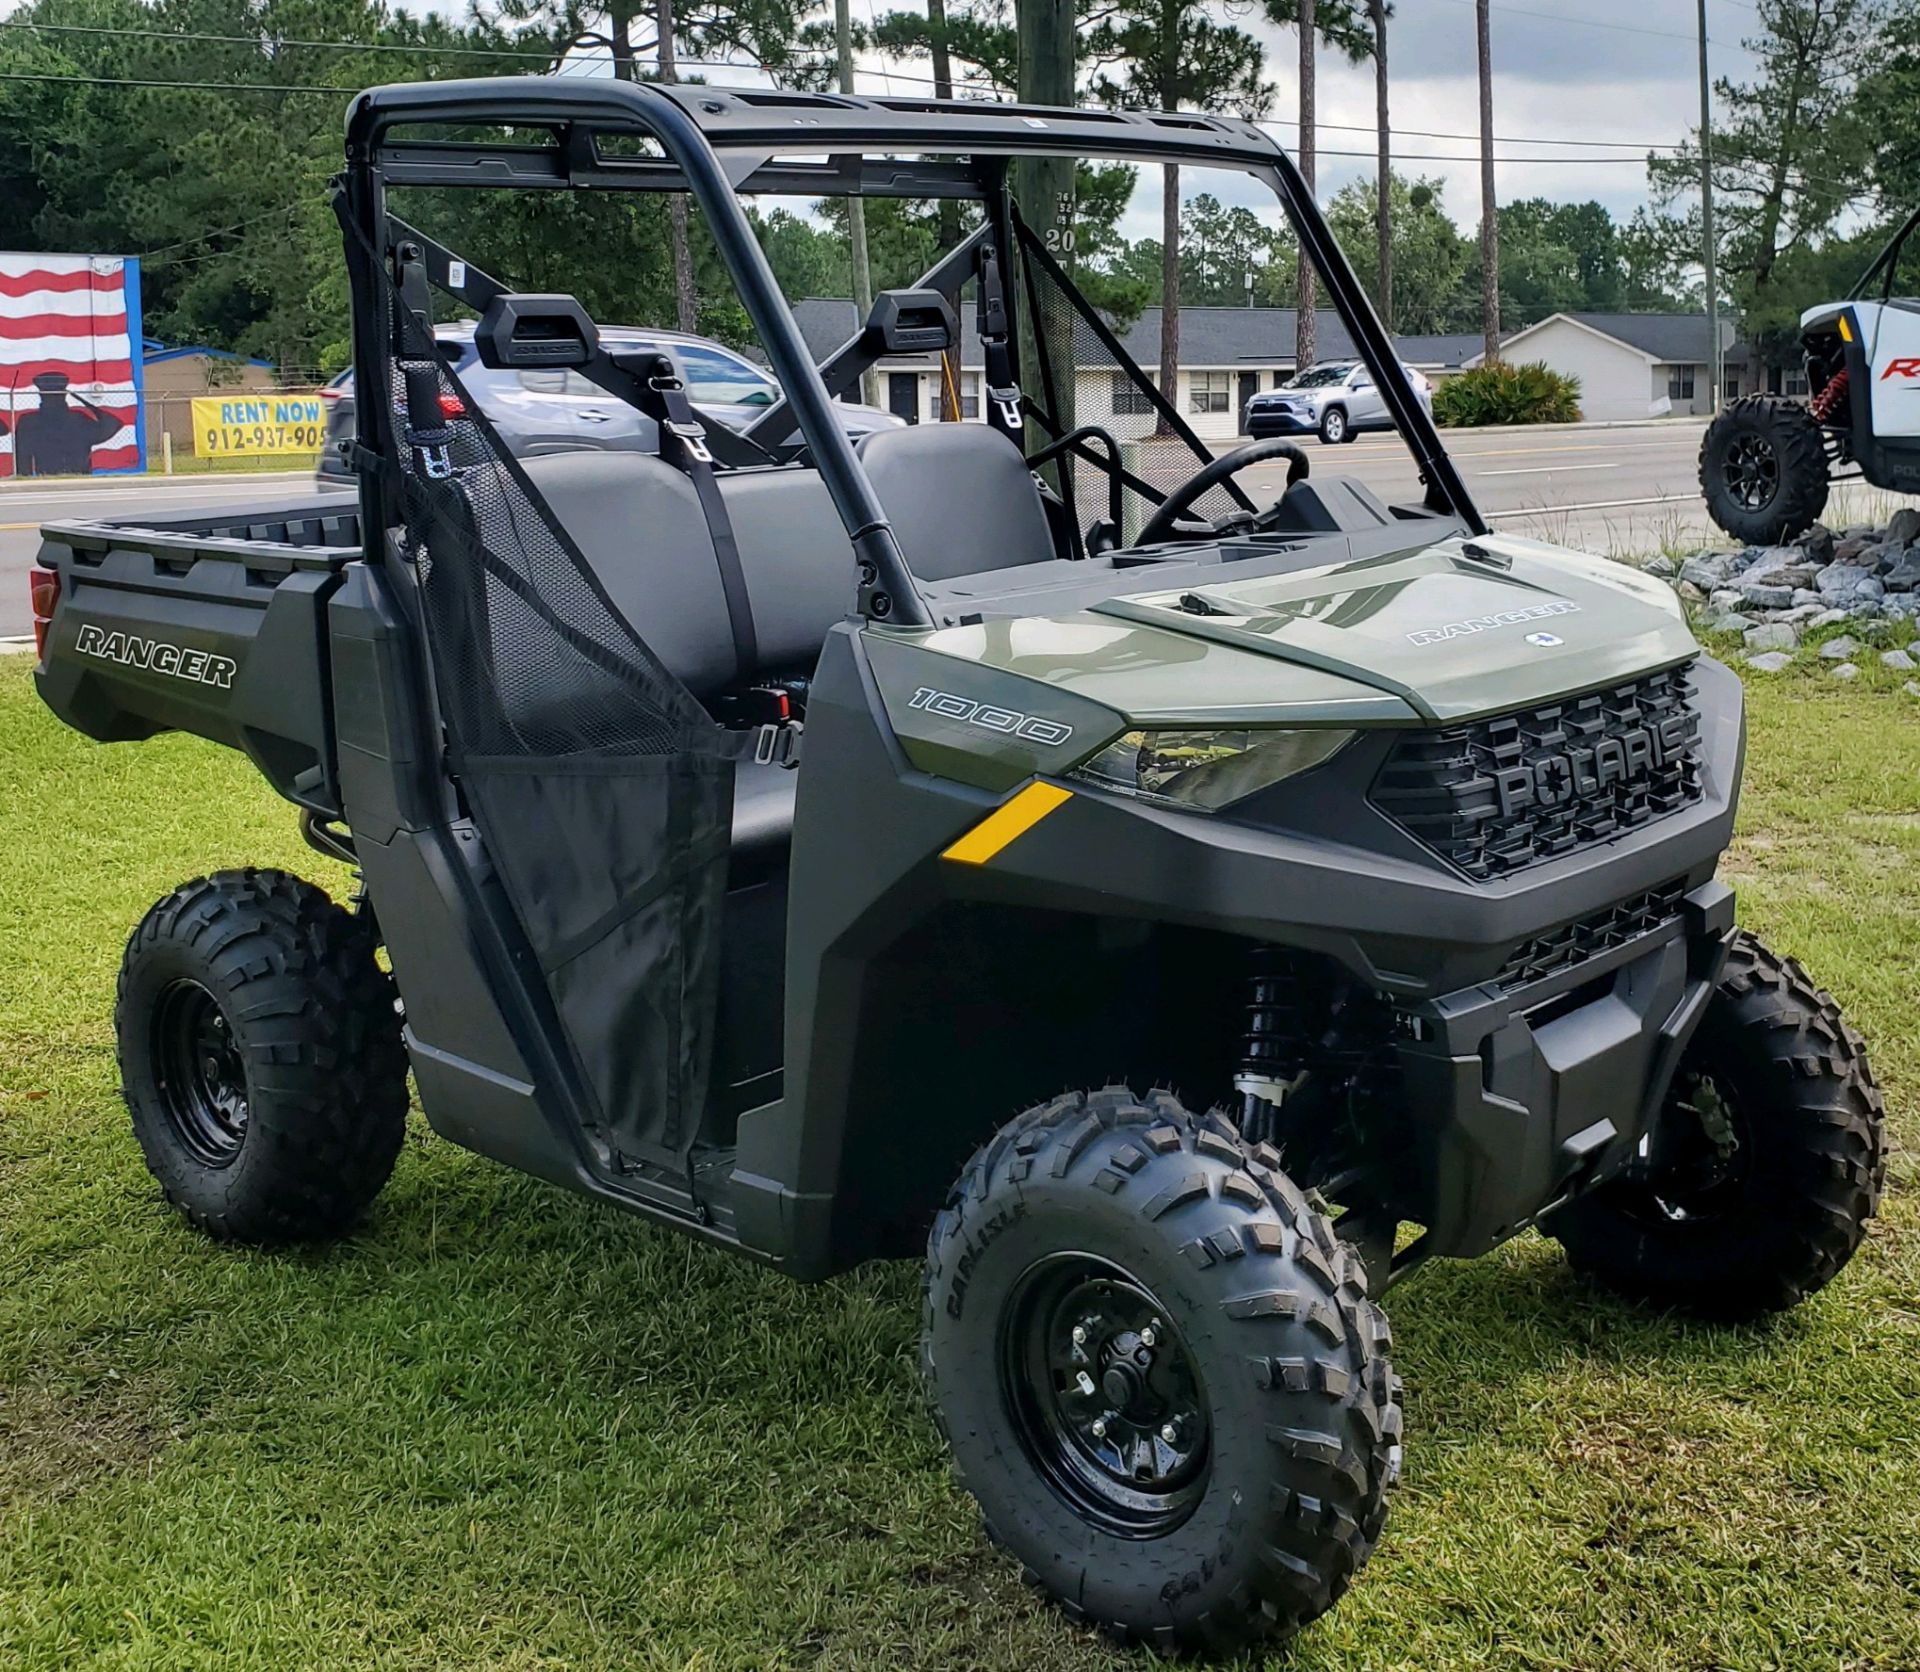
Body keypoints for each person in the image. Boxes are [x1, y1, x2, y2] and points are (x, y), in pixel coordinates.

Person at [0, 372, 126, 475]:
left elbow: (23, 461)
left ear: (40, 394)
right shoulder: (78, 420)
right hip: (76, 473)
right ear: (65, 395)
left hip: (49, 475)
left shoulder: (29, 422)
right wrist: (86, 403)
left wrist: (25, 478)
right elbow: (113, 424)